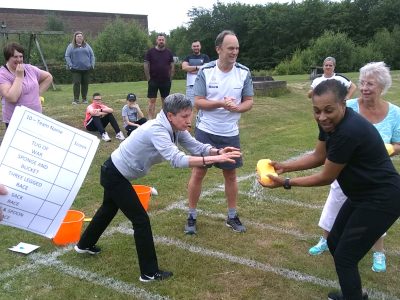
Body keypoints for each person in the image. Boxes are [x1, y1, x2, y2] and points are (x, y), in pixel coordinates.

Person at [74, 93, 242, 282]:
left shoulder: (176, 127)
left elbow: (196, 147)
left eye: (190, 115)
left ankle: (84, 244)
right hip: (114, 174)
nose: (189, 120)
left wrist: (217, 151)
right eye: (185, 116)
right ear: (170, 115)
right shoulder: (157, 130)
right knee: (141, 220)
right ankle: (148, 272)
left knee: (108, 209)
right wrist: (215, 159)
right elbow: (177, 160)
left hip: (115, 172)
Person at [259, 79, 400, 300]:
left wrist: (286, 182)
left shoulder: (348, 131)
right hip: (360, 195)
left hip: (382, 198)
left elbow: (326, 176)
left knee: (345, 257)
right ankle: (353, 294)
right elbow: (319, 155)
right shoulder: (329, 124)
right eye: (317, 111)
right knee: (335, 241)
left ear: (343, 104)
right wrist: (286, 166)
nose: (322, 117)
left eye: (328, 110)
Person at [308, 62, 400, 273]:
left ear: (382, 87)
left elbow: (398, 142)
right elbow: (321, 154)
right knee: (334, 219)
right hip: (342, 174)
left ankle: (378, 251)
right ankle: (327, 242)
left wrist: (391, 149)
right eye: (363, 83)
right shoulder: (344, 109)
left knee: (368, 224)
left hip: (370, 180)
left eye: (371, 84)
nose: (366, 87)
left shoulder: (394, 113)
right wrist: (284, 168)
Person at [185, 30, 254, 235]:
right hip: (206, 131)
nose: (234, 52)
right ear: (218, 49)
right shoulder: (206, 71)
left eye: (237, 48)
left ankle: (232, 216)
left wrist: (237, 108)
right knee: (198, 172)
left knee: (231, 175)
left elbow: (249, 102)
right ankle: (191, 216)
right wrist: (220, 104)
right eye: (230, 48)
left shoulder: (244, 72)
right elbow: (197, 102)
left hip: (230, 133)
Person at [0, 42, 53, 127]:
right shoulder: (2, 74)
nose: (19, 59)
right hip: (15, 120)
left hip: (35, 116)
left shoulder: (29, 68)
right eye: (15, 57)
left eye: (21, 56)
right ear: (7, 58)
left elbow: (48, 77)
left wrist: (37, 95)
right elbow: (12, 98)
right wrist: (19, 77)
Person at [143, 34, 175, 119]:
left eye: (162, 40)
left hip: (165, 81)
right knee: (152, 101)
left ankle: (163, 119)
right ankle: (150, 120)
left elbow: (172, 66)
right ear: (156, 41)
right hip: (153, 80)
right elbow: (146, 65)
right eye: (159, 40)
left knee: (165, 102)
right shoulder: (150, 52)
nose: (161, 41)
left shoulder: (169, 52)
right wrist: (148, 79)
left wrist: (170, 79)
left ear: (165, 41)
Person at [65, 31, 95, 105]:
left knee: (85, 84)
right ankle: (76, 100)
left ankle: (84, 99)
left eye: (81, 36)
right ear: (75, 38)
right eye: (78, 36)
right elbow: (67, 56)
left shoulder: (87, 45)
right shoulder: (71, 46)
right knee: (76, 83)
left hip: (86, 68)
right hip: (76, 69)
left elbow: (92, 55)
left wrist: (92, 65)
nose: (79, 37)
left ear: (83, 37)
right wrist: (70, 65)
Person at [181, 40, 210, 105]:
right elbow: (184, 68)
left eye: (197, 46)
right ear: (192, 47)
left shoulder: (205, 57)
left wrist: (190, 69)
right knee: (189, 105)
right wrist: (198, 67)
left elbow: (206, 69)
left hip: (202, 84)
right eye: (194, 46)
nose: (196, 48)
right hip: (190, 85)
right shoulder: (188, 57)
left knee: (202, 105)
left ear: (200, 46)